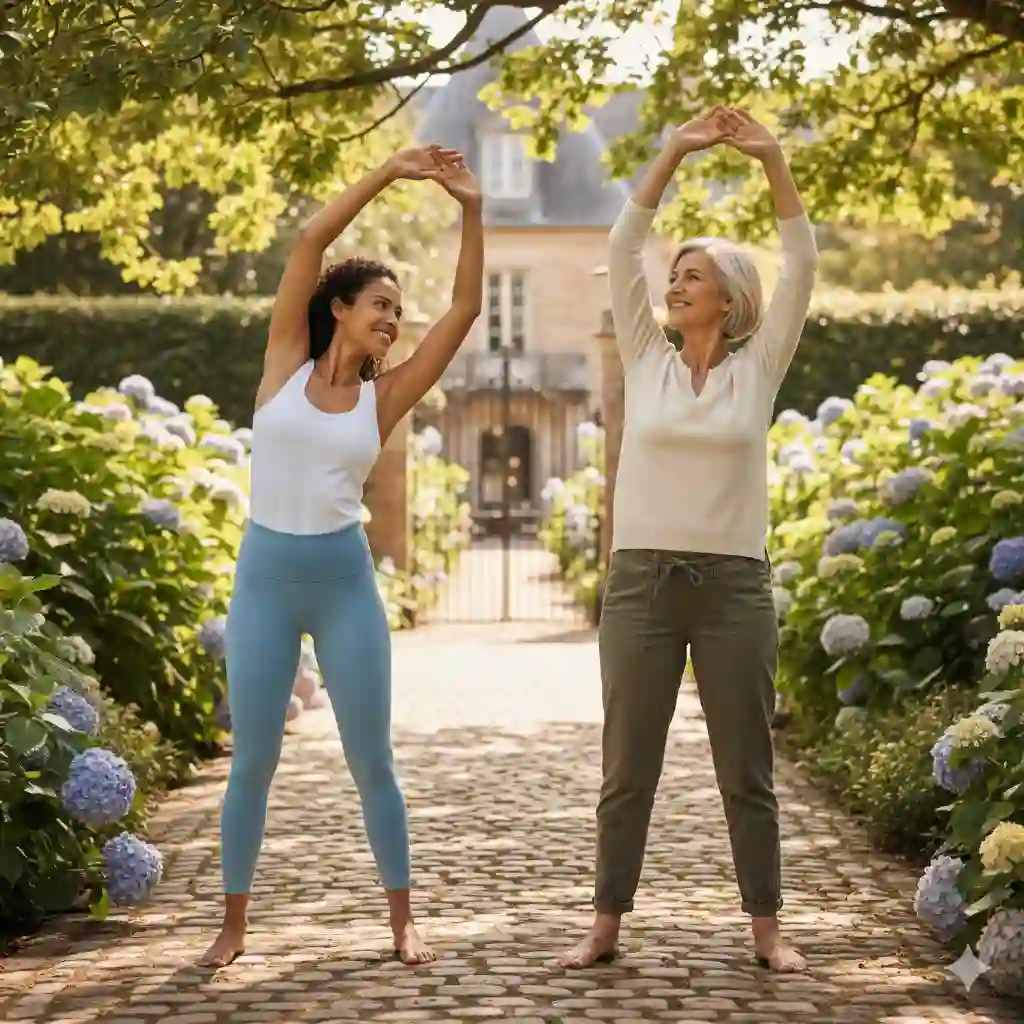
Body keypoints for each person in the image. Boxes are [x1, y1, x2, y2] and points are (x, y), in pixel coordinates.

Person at [200, 143, 483, 969]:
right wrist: (389, 173)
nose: (392, 321)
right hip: (264, 581)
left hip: (343, 584)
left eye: (397, 312)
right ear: (340, 310)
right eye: (380, 305)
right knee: (252, 758)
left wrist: (469, 207)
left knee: (373, 760)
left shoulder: (382, 397)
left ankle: (402, 920)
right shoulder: (285, 362)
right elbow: (307, 244)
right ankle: (233, 925)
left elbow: (464, 313)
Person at [559, 107, 819, 972]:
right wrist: (672, 149)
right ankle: (605, 925)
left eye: (693, 275)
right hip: (640, 586)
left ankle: (766, 930)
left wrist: (772, 158)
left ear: (732, 298)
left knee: (747, 770)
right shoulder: (643, 356)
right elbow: (627, 240)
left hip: (735, 588)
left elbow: (804, 265)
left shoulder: (760, 366)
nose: (674, 284)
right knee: (626, 769)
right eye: (676, 274)